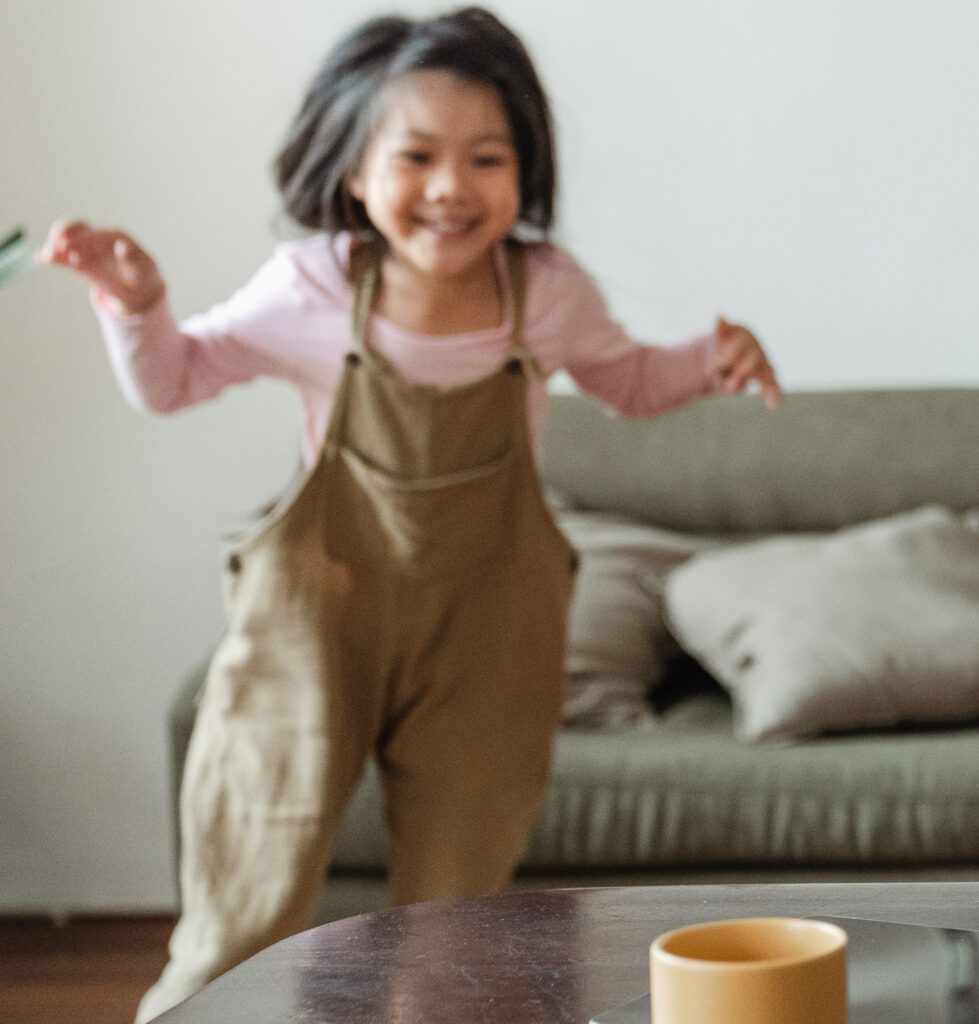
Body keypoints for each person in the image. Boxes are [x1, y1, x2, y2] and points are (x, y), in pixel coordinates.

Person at [41, 8, 782, 1017]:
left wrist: (709, 360)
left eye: (487, 156)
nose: (450, 187)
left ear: (525, 170)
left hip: (485, 640)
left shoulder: (546, 293)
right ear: (354, 170)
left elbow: (628, 381)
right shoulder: (310, 286)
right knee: (239, 914)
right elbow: (176, 379)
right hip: (312, 632)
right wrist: (136, 306)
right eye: (417, 155)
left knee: (457, 932)